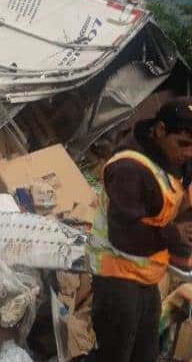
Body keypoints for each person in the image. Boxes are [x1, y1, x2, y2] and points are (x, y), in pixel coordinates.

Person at [87, 98, 192, 362]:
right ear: (159, 130)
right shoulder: (129, 169)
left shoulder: (170, 160)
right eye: (183, 144)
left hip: (145, 275)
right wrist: (174, 234)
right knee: (115, 355)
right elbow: (124, 237)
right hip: (116, 276)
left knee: (146, 354)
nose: (188, 153)